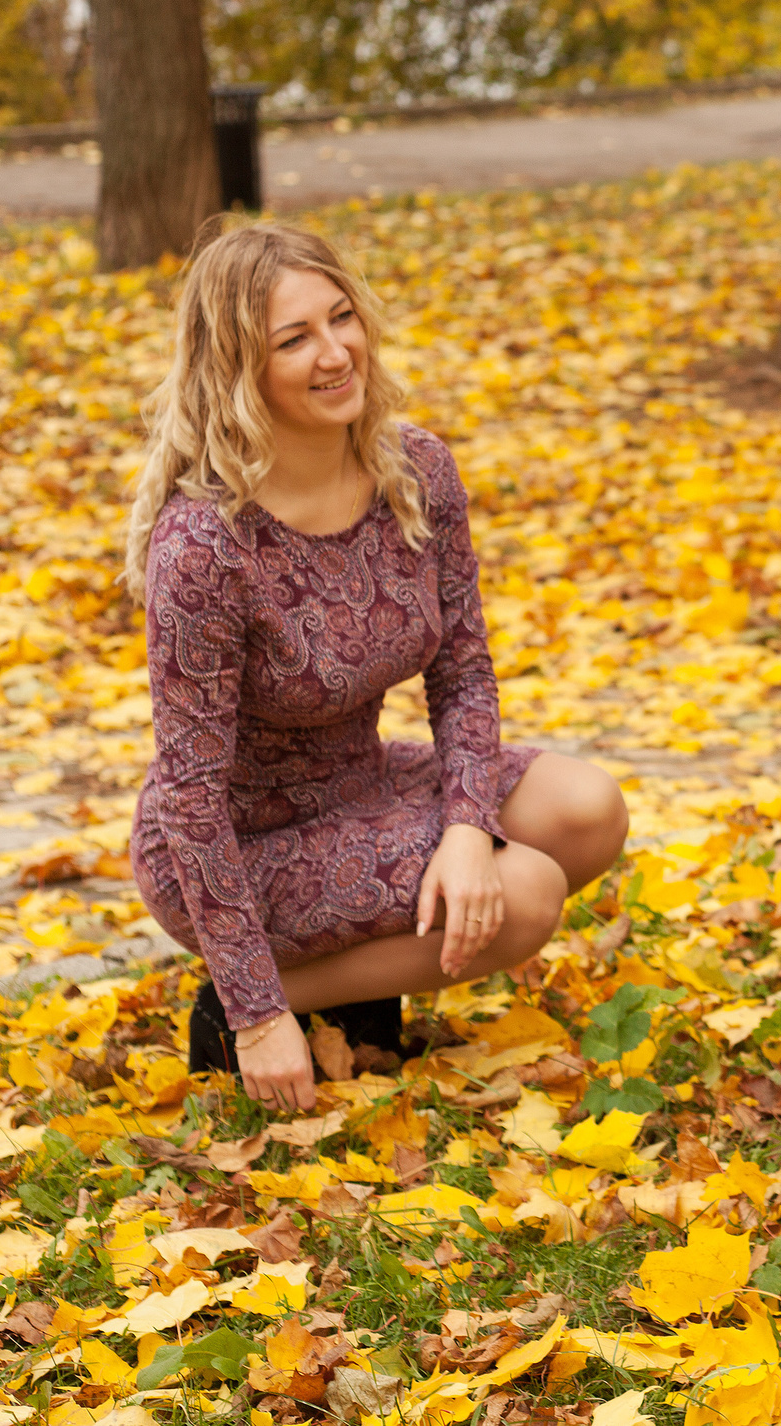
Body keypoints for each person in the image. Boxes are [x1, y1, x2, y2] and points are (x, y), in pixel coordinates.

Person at [122, 221, 627, 1113]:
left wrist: (467, 828)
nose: (334, 353)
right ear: (239, 370)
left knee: (589, 809)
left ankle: (354, 972)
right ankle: (252, 1000)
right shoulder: (204, 545)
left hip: (363, 781)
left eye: (342, 317)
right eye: (294, 338)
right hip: (240, 841)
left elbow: (464, 671)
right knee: (525, 893)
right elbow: (191, 798)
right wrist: (260, 1014)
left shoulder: (415, 468)